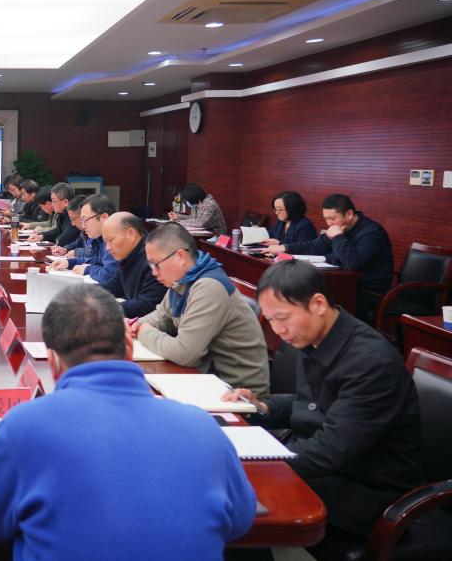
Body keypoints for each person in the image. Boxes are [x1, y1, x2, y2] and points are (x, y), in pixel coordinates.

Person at [0, 285, 256, 560]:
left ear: (53, 361)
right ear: (129, 349)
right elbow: (241, 520)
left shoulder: (25, 426)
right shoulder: (202, 427)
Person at [223, 260, 423, 541]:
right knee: (229, 492)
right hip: (328, 469)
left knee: (233, 501)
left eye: (282, 318)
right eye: (270, 320)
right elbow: (313, 402)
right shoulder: (319, 337)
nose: (277, 330)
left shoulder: (370, 363)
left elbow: (330, 451)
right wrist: (262, 407)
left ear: (318, 303)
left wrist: (258, 461)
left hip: (369, 493)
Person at [129, 221, 269, 394]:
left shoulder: (208, 287)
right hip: (207, 380)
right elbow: (161, 316)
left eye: (155, 264)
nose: (154, 272)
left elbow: (184, 354)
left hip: (237, 394)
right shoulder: (183, 279)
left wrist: (143, 331)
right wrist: (133, 325)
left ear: (181, 256)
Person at [265, 194, 394, 320]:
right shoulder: (340, 227)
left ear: (349, 214)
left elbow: (353, 263)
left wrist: (338, 237)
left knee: (310, 302)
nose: (329, 223)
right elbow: (316, 245)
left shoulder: (372, 232)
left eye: (332, 218)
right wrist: (285, 247)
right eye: (326, 219)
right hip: (343, 283)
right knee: (297, 293)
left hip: (368, 291)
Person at [101, 212, 167, 317]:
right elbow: (116, 285)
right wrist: (87, 292)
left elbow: (147, 305)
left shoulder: (153, 257)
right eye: (106, 242)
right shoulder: (128, 254)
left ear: (131, 234)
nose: (107, 248)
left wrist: (104, 309)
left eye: (111, 240)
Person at [49, 193, 117, 288]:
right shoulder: (98, 238)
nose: (83, 226)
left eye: (86, 220)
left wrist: (88, 269)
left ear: (104, 217)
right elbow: (92, 260)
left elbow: (109, 275)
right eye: (81, 221)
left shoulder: (116, 239)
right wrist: (69, 263)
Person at [26, 181, 79, 246]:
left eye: (54, 201)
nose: (52, 204)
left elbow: (64, 239)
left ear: (65, 202)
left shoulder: (73, 215)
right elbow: (57, 230)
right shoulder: (61, 213)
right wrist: (41, 236)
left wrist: (49, 243)